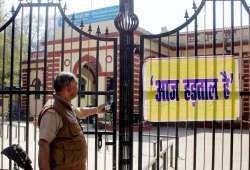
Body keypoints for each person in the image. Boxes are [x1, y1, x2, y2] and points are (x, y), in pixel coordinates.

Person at [38, 72, 106, 170]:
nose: (78, 88)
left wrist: (97, 109)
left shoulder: (65, 106)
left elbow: (80, 112)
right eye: (76, 85)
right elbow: (44, 145)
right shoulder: (52, 112)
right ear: (68, 88)